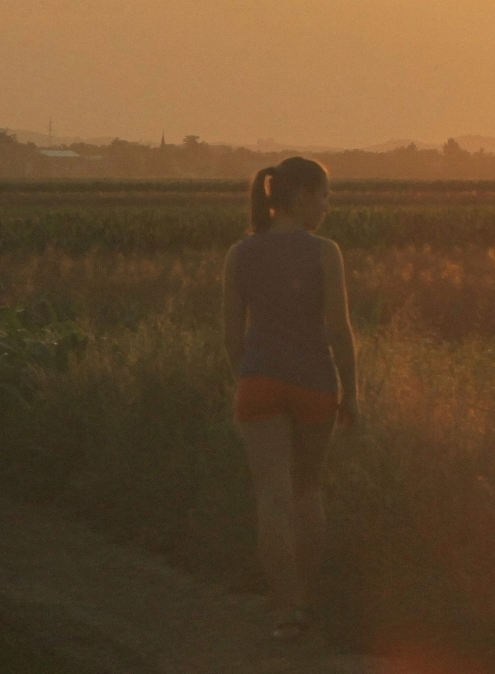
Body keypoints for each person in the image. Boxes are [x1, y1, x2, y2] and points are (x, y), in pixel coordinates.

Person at [220, 156, 359, 641]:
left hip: (259, 382)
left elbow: (231, 334)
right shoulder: (325, 252)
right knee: (308, 491)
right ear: (302, 197)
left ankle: (286, 611)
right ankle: (310, 597)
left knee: (272, 501)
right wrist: (352, 394)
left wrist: (247, 375)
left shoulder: (240, 253)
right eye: (324, 196)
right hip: (315, 383)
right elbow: (339, 331)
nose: (327, 206)